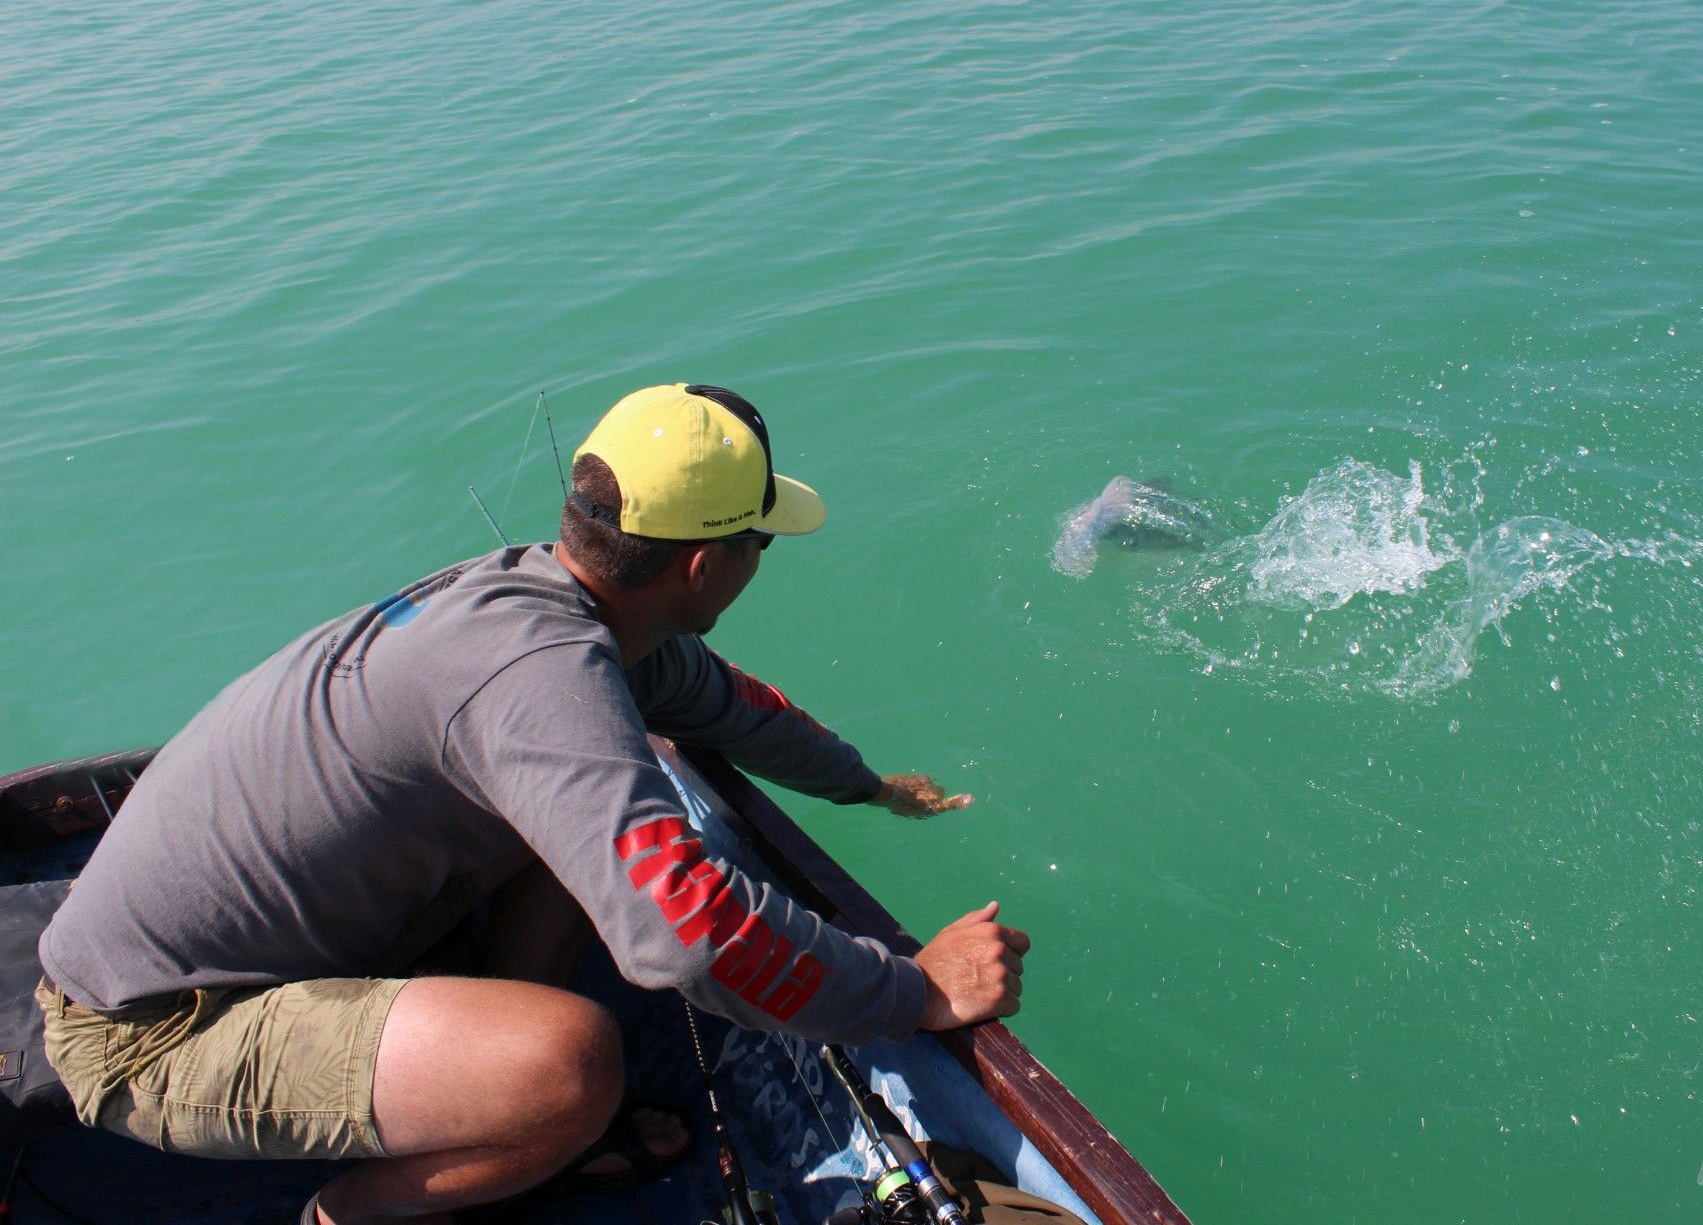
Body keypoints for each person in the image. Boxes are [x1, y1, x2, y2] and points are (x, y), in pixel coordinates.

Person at [35, 382, 1028, 1225]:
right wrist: (915, 988)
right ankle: (354, 1206)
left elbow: (726, 702)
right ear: (701, 564)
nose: (760, 560)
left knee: (595, 804)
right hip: (155, 1029)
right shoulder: (544, 677)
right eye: (758, 540)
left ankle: (490, 1057)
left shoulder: (547, 603)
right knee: (570, 1065)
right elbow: (692, 935)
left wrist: (866, 785)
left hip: (253, 945)